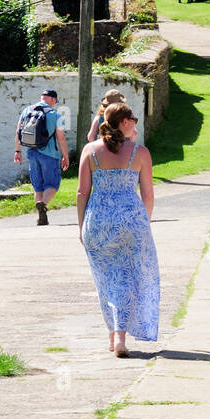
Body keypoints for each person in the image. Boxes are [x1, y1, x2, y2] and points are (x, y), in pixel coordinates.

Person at [77, 103, 158, 357]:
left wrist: (82, 226)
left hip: (98, 222)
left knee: (105, 280)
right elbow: (148, 194)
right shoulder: (140, 152)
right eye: (133, 118)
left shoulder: (90, 151)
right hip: (131, 222)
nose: (136, 121)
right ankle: (120, 337)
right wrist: (143, 223)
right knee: (127, 278)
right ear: (123, 122)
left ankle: (113, 337)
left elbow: (82, 193)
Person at [14, 89, 71, 227]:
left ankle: (41, 216)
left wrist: (17, 151)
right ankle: (43, 205)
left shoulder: (27, 110)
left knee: (38, 186)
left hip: (32, 153)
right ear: (52, 99)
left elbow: (18, 131)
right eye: (55, 101)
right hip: (50, 155)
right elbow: (61, 138)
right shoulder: (55, 115)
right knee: (52, 184)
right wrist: (65, 156)